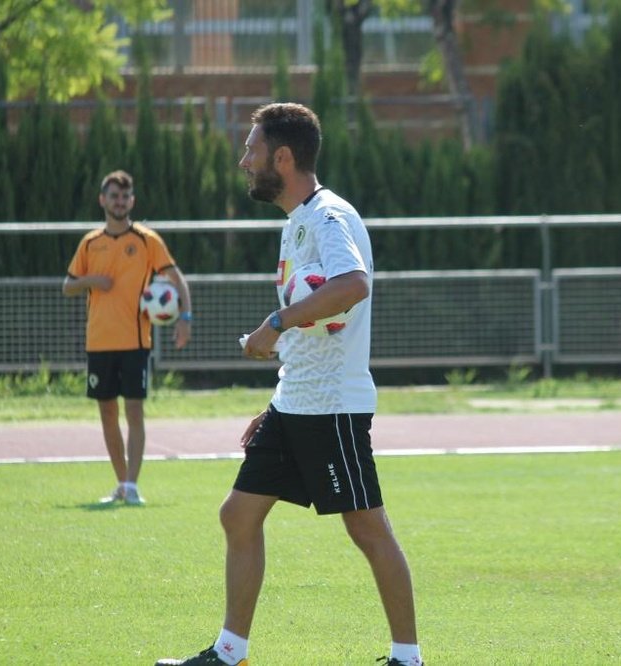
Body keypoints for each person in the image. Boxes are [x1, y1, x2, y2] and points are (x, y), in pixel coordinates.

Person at [155, 103, 423, 666]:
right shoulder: (297, 220)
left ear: (282, 156)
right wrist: (274, 402)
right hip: (296, 402)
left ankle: (407, 658)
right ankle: (230, 653)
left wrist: (273, 324)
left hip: (332, 409)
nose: (243, 160)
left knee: (367, 527)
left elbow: (353, 285)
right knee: (238, 514)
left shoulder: (328, 217)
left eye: (251, 149)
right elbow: (317, 319)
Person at [63, 170, 193, 505]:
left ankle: (133, 486)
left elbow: (177, 279)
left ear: (131, 201)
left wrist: (185, 317)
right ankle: (121, 483)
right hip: (98, 342)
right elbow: (68, 286)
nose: (119, 202)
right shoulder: (90, 243)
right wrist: (93, 279)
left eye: (125, 197)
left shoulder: (147, 240)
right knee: (107, 412)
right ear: (102, 200)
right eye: (113, 196)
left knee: (134, 410)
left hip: (136, 342)